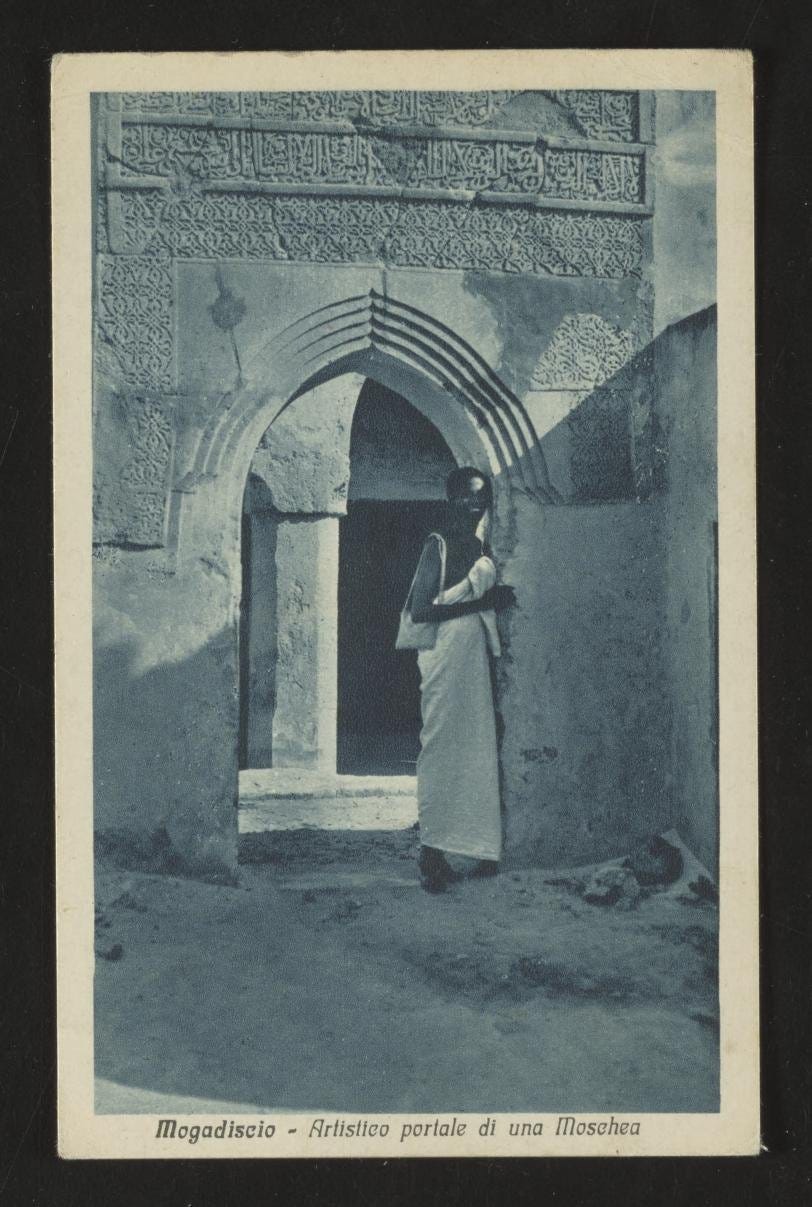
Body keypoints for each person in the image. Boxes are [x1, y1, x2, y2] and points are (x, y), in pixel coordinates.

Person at [404, 467, 515, 893]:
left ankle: (478, 846)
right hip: (445, 654)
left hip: (473, 658)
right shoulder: (440, 545)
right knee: (442, 747)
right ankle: (432, 851)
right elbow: (421, 611)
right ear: (450, 498)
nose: (476, 503)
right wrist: (483, 603)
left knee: (478, 748)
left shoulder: (482, 545)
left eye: (482, 496)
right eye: (468, 496)